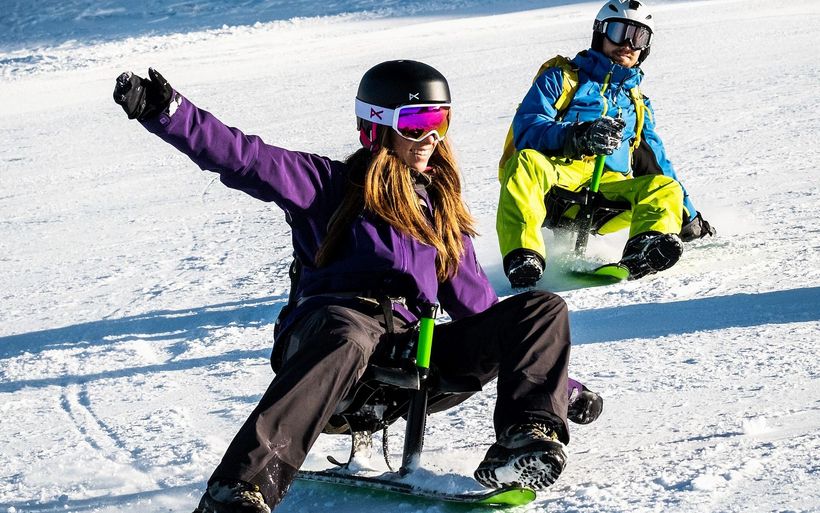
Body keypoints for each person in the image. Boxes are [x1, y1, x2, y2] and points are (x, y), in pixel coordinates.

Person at [112, 60, 602, 513]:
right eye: (415, 124)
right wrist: (168, 112)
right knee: (349, 333)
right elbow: (245, 158)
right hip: (328, 341)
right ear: (377, 126)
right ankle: (238, 490)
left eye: (439, 121)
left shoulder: (439, 214)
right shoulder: (327, 184)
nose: (430, 138)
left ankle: (524, 440)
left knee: (540, 309)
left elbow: (481, 310)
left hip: (407, 355)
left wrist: (564, 389)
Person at [496, 0, 715, 288]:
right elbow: (528, 127)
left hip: (608, 190)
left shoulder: (637, 103)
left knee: (665, 187)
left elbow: (656, 163)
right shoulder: (562, 78)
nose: (627, 44)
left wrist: (688, 216)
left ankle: (643, 250)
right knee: (525, 163)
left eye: (639, 37)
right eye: (618, 32)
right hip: (559, 181)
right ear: (600, 34)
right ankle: (524, 257)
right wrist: (580, 136)